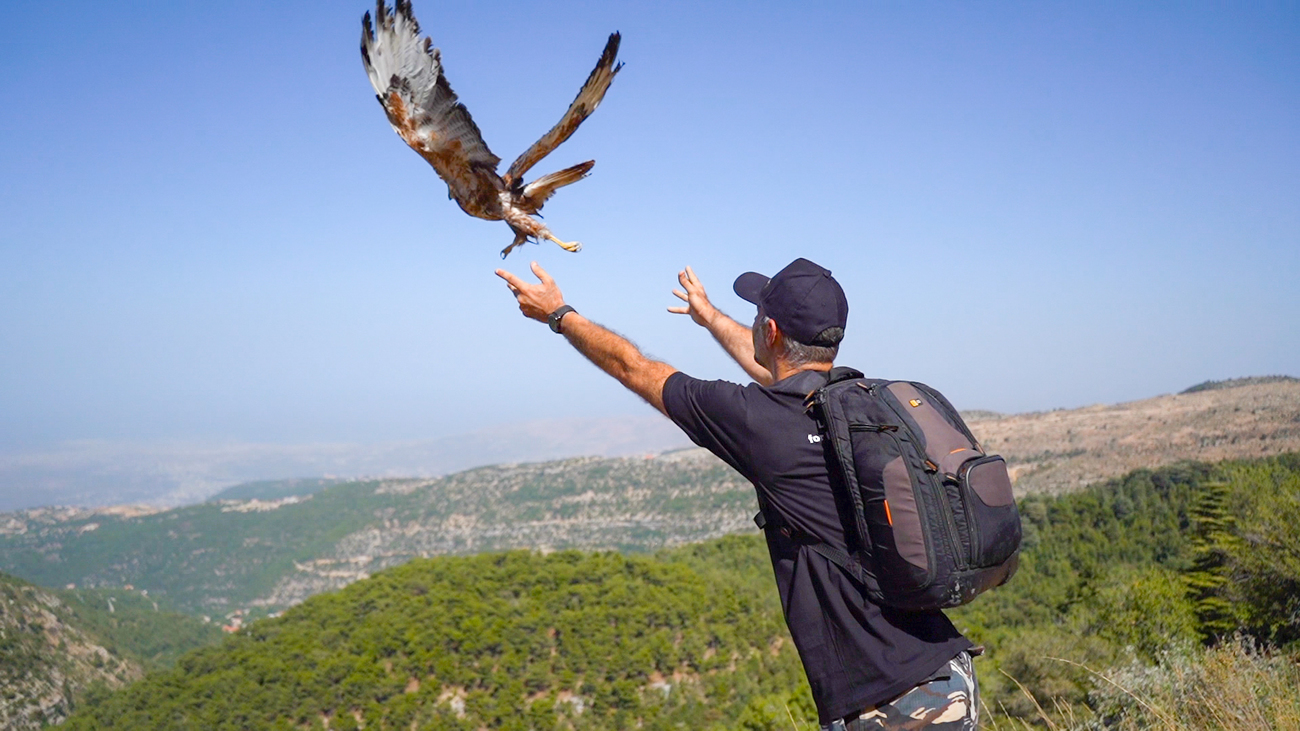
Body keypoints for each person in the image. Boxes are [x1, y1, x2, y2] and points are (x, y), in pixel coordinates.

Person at [496, 257, 979, 730]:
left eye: (756, 316)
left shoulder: (758, 421)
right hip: (943, 668)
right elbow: (779, 374)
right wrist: (709, 319)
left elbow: (633, 367)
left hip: (890, 705)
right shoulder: (861, 404)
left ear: (768, 331)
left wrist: (559, 315)